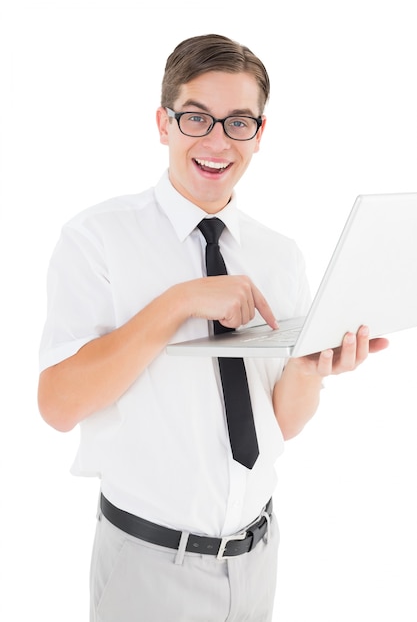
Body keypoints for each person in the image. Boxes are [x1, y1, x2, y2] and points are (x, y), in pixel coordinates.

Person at [38, 34, 389, 622]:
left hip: (257, 556)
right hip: (149, 565)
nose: (217, 141)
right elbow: (57, 405)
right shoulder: (96, 238)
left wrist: (309, 371)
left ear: (260, 133)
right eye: (197, 118)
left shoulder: (278, 254)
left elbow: (275, 424)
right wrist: (179, 301)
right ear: (163, 122)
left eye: (238, 122)